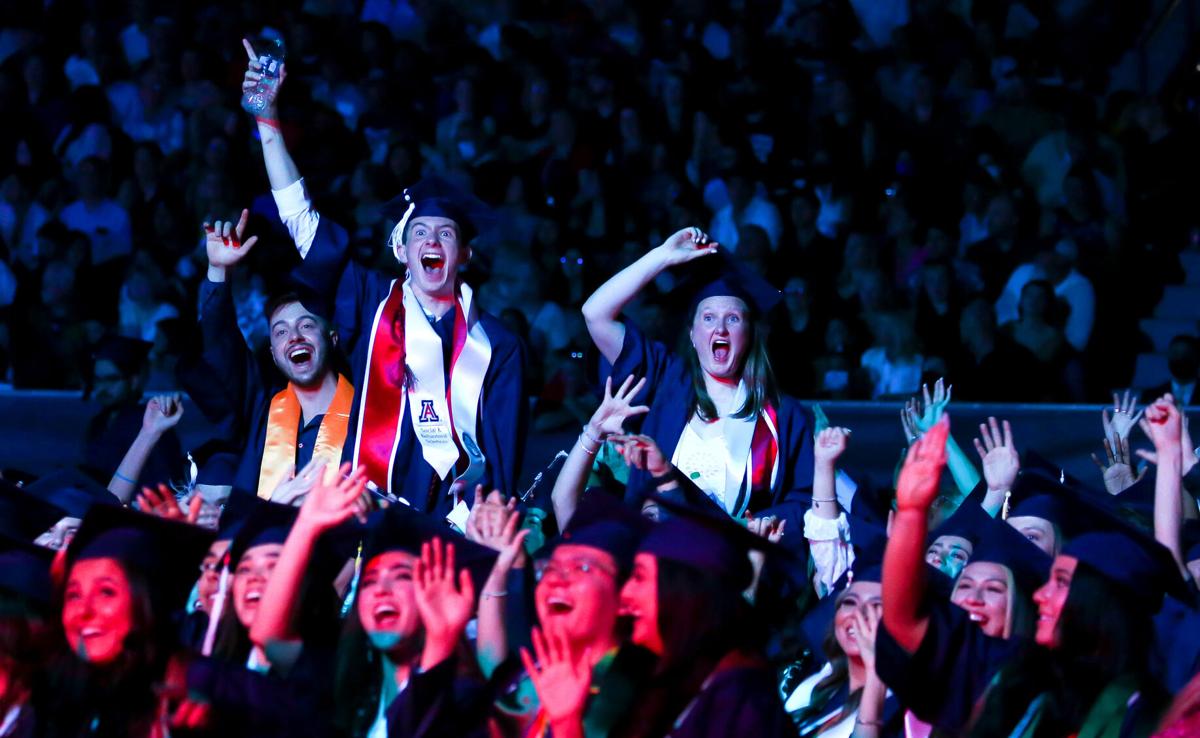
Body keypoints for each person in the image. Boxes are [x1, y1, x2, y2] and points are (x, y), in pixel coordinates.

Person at [241, 41, 526, 517]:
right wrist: (267, 121)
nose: (431, 240)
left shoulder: (498, 346)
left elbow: (502, 457)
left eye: (444, 233)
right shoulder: (371, 304)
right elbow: (302, 221)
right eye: (419, 232)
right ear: (402, 250)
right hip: (368, 513)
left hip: (450, 527)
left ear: (464, 255)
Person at [877, 415, 1180, 736]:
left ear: (1101, 600)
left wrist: (1171, 465)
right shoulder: (1010, 673)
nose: (1041, 593)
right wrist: (912, 513)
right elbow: (906, 621)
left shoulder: (1147, 714)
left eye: (1061, 582)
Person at [249, 461, 496, 738]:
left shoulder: (464, 699)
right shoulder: (346, 683)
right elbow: (268, 637)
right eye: (369, 581)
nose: (381, 589)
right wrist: (306, 526)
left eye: (402, 576)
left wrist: (440, 639)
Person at [580, 227, 813, 519]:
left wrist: (766, 523)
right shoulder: (666, 383)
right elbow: (595, 313)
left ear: (750, 334)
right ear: (692, 334)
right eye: (709, 317)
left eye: (732, 318)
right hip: (660, 552)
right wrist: (662, 256)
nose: (720, 328)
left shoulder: (783, 416)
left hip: (738, 558)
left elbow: (803, 503)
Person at [524, 492, 793, 738]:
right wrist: (567, 722)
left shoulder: (741, 702)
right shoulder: (668, 683)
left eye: (639, 577)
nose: (624, 595)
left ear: (681, 592)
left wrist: (567, 725)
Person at [191, 209, 355, 502]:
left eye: (306, 325)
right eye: (280, 332)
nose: (294, 337)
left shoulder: (366, 416)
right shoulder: (262, 412)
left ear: (332, 338)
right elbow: (222, 343)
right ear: (274, 354)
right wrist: (218, 271)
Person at [81, 335, 185, 497]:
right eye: (98, 380)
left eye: (111, 379)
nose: (103, 388)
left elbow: (166, 485)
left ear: (134, 380)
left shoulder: (151, 421)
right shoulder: (98, 423)